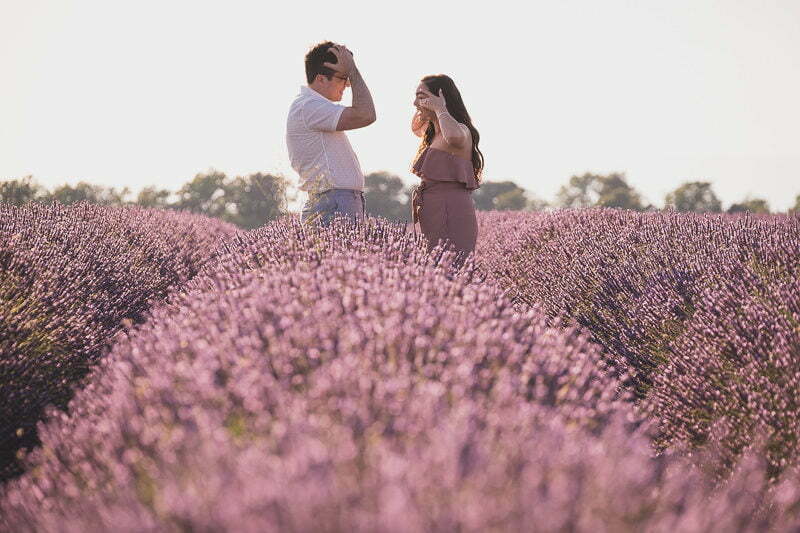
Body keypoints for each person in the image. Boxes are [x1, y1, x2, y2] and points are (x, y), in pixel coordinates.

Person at [286, 41, 376, 226]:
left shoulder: (312, 107)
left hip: (334, 201)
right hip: (333, 203)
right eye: (342, 78)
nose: (348, 84)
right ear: (321, 79)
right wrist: (352, 69)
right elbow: (366, 114)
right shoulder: (309, 107)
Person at [411, 74, 483, 262]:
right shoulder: (433, 132)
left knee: (452, 267)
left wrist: (440, 107)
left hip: (451, 209)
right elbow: (415, 127)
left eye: (421, 96)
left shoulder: (460, 130)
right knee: (436, 269)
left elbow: (454, 138)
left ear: (440, 97)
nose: (415, 103)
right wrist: (425, 104)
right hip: (434, 208)